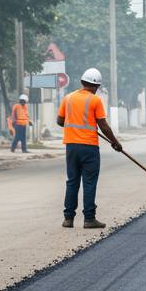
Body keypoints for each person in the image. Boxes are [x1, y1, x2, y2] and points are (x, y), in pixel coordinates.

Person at [56, 69, 122, 229]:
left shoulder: (68, 98)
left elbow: (59, 121)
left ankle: (68, 219)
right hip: (89, 147)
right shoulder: (95, 101)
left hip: (71, 146)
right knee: (89, 182)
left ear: (82, 82)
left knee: (72, 182)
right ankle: (89, 219)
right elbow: (104, 126)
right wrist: (115, 142)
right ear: (97, 86)